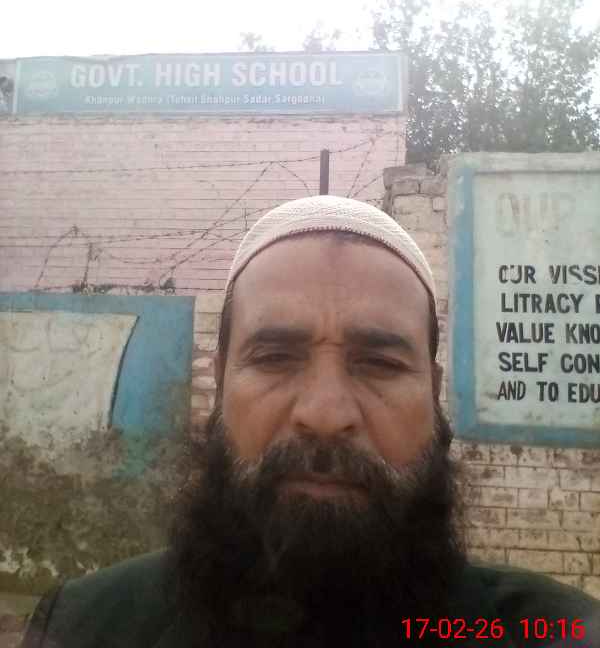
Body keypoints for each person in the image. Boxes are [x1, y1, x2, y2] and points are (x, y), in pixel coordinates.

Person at [21, 195, 600, 647]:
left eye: (379, 364)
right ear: (220, 381)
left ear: (433, 391)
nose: (325, 415)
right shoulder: (86, 626)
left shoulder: (556, 632)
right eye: (275, 357)